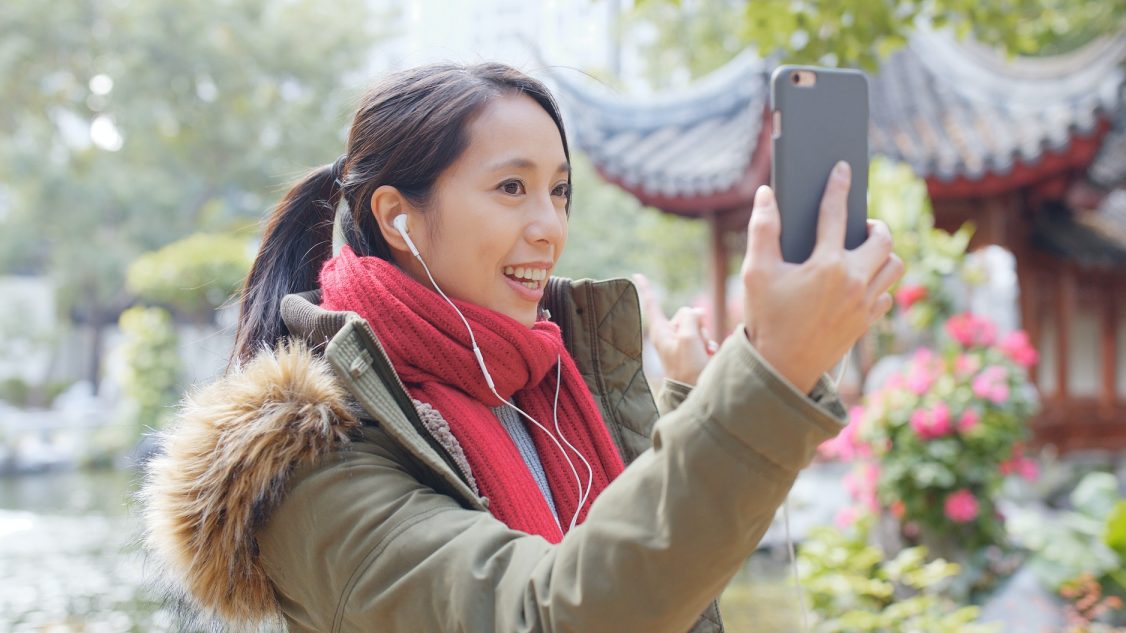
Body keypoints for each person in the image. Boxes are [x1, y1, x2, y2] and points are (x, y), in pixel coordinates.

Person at [141, 62, 902, 632]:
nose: (549, 225)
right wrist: (772, 373)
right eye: (512, 188)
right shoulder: (314, 463)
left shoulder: (549, 379)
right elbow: (551, 611)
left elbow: (657, 571)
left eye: (560, 190)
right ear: (398, 217)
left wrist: (689, 407)